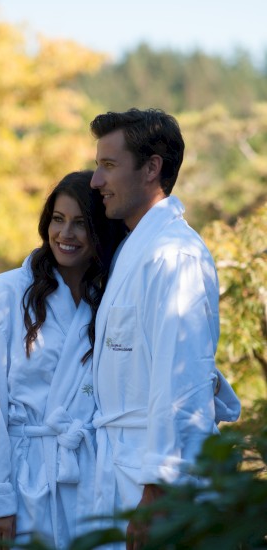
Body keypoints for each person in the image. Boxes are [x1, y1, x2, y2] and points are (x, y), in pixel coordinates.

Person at [89, 108, 241, 549]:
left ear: (152, 167)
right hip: (124, 468)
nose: (96, 181)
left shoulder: (175, 256)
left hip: (154, 485)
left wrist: (160, 490)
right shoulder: (138, 248)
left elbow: (184, 380)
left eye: (109, 165)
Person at [0, 170, 126, 550]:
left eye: (81, 223)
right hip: (27, 476)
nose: (66, 234)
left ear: (101, 230)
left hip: (95, 474)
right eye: (58, 220)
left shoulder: (113, 296)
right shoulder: (5, 295)